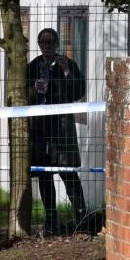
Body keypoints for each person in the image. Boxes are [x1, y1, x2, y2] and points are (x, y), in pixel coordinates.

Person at [28, 28, 88, 236]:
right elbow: (24, 96)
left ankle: (82, 219)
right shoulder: (33, 67)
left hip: (62, 128)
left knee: (69, 173)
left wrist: (67, 73)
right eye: (43, 43)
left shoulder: (67, 64)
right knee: (45, 177)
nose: (47, 47)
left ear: (57, 44)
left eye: (51, 43)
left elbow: (78, 92)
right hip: (40, 130)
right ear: (38, 44)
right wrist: (34, 89)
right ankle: (51, 220)